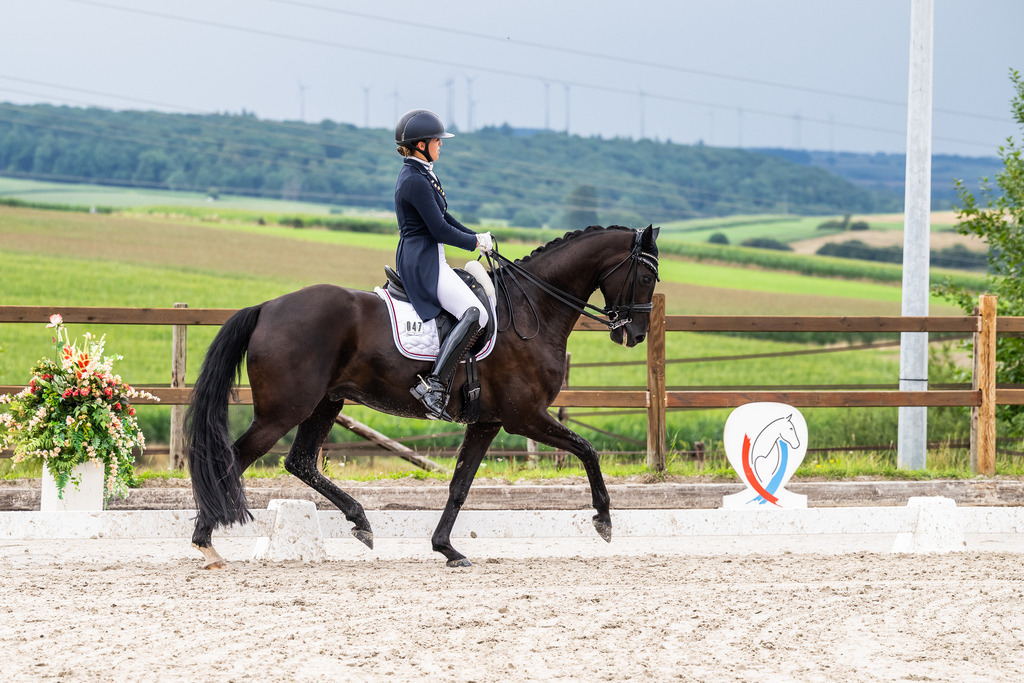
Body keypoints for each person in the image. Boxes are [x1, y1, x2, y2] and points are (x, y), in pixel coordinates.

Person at [393, 109, 493, 421]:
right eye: (437, 140)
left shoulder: (423, 174)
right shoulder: (415, 180)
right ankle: (434, 385)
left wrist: (474, 235)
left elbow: (445, 218)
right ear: (421, 144)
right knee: (475, 314)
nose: (441, 144)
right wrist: (474, 243)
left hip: (428, 255)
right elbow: (437, 230)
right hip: (423, 261)